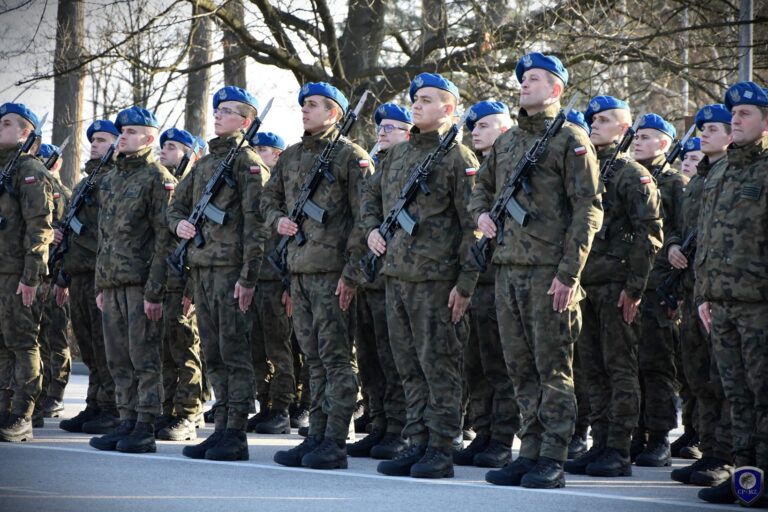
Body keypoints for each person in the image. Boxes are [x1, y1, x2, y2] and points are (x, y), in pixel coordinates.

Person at [469, 53, 603, 489]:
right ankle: (528, 451)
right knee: (520, 369)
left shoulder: (569, 138)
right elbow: (482, 188)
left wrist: (569, 273)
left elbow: (588, 210)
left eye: (535, 79)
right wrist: (481, 216)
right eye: (523, 79)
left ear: (557, 88)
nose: (525, 85)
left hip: (550, 273)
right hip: (507, 268)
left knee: (553, 370)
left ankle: (553, 456)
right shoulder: (506, 143)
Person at [362, 73, 480, 479]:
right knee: (408, 367)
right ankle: (417, 442)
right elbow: (369, 198)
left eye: (427, 100)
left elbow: (473, 228)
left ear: (448, 109)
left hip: (436, 283)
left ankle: (441, 448)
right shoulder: (396, 155)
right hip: (396, 277)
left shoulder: (459, 159)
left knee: (439, 368)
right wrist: (373, 230)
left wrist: (465, 284)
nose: (416, 104)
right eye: (415, 98)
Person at [264, 82, 369, 470]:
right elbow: (267, 200)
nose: (304, 111)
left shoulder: (349, 157)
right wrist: (280, 222)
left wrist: (352, 274)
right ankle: (317, 435)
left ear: (335, 113)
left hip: (333, 274)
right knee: (314, 360)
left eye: (313, 105)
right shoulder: (290, 157)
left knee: (337, 359)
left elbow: (365, 218)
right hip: (299, 270)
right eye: (304, 105)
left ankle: (335, 440)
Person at [563, 95, 663, 478]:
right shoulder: (588, 170)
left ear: (624, 129)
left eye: (605, 120)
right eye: (593, 119)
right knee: (592, 369)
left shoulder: (630, 173)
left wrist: (635, 288)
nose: (595, 124)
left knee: (620, 369)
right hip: (587, 285)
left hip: (617, 287)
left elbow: (650, 232)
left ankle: (619, 449)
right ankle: (600, 442)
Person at [168, 86, 269, 461]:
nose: (217, 115)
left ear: (245, 121)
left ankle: (236, 433)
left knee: (234, 352)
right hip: (203, 271)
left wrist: (248, 277)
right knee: (213, 353)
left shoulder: (247, 163)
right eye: (217, 110)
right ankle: (221, 426)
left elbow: (257, 226)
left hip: (231, 272)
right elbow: (175, 207)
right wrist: (180, 225)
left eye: (226, 111)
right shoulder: (206, 165)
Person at [88, 106, 177, 454]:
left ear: (150, 138)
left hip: (141, 284)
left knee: (144, 356)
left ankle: (145, 424)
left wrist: (155, 291)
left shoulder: (158, 178)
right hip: (112, 283)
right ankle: (125, 419)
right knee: (118, 357)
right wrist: (100, 284)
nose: (122, 136)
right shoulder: (110, 178)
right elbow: (104, 236)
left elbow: (164, 238)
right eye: (121, 131)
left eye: (131, 131)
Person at [696, 82, 768, 505]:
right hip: (720, 303)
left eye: (745, 114)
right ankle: (745, 477)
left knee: (764, 394)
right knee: (736, 395)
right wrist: (704, 294)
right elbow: (706, 237)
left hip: (759, 303)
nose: (735, 120)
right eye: (734, 113)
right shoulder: (720, 169)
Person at [669, 103, 734, 489]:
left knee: (721, 378)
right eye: (702, 127)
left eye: (713, 127)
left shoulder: (727, 173)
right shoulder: (699, 180)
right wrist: (674, 245)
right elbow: (681, 228)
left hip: (719, 291)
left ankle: (726, 456)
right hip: (694, 290)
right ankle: (710, 449)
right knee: (698, 378)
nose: (704, 133)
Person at [454, 100, 520, 470]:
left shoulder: (515, 168)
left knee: (500, 363)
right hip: (476, 276)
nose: (475, 131)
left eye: (484, 126)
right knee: (475, 363)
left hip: (501, 277)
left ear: (505, 130)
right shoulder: (479, 172)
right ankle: (483, 432)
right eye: (473, 126)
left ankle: (501, 437)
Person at [347, 103, 411, 460]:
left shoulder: (411, 167)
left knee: (393, 358)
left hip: (396, 277)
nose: (382, 133)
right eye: (380, 128)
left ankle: (399, 429)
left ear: (408, 132)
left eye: (391, 128)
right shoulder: (378, 171)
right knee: (370, 359)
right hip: (369, 276)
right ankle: (380, 423)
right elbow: (363, 218)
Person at [56, 120, 120, 435]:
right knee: (88, 345)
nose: (94, 144)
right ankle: (94, 403)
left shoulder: (114, 181)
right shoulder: (84, 185)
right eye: (93, 139)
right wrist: (62, 275)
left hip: (100, 272)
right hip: (79, 272)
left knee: (105, 344)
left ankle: (111, 407)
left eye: (102, 139)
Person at [632, 113, 688, 467]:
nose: (638, 141)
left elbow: (683, 234)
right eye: (637, 135)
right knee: (630, 364)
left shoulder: (674, 184)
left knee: (656, 365)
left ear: (665, 144)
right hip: (631, 283)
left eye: (647, 137)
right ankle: (635, 432)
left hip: (659, 287)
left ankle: (659, 436)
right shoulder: (626, 176)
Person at [0, 103, 53, 442]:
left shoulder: (29, 170)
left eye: (6, 124)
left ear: (24, 133)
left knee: (22, 343)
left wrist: (31, 276)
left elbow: (40, 227)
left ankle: (22, 413)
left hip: (18, 273)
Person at [155, 127, 205, 441]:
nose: (165, 151)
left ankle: (188, 414)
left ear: (190, 153)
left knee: (187, 348)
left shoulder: (198, 184)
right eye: (164, 146)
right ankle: (169, 410)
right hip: (166, 280)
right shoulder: (165, 186)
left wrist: (190, 288)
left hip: (188, 279)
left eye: (173, 147)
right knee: (166, 350)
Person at [246, 131, 297, 435]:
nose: (257, 153)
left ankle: (281, 409)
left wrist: (290, 284)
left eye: (263, 149)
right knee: (257, 347)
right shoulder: (260, 192)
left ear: (277, 155)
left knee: (280, 349)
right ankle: (264, 403)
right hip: (257, 278)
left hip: (278, 279)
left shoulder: (285, 190)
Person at [33, 143, 72, 425]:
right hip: (36, 275)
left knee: (55, 338)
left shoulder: (63, 195)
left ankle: (55, 394)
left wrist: (62, 279)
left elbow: (70, 239)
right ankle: (40, 389)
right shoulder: (32, 192)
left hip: (56, 274)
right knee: (36, 338)